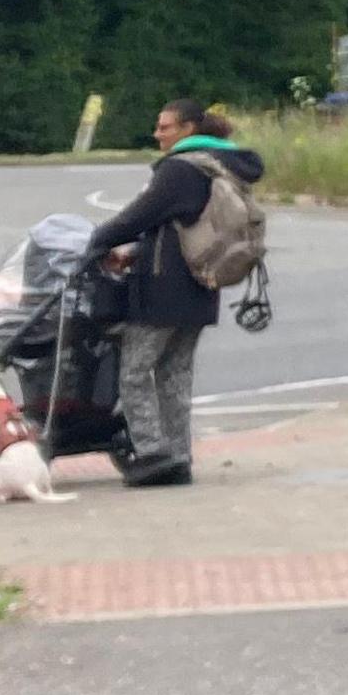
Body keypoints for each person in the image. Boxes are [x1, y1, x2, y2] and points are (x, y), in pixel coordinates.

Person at [83, 98, 264, 489]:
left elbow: (139, 216)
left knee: (134, 373)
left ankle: (152, 454)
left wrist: (97, 240)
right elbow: (176, 228)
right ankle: (179, 457)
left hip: (162, 289)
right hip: (202, 285)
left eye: (165, 127)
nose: (158, 133)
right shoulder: (223, 166)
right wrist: (133, 253)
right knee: (175, 374)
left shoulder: (180, 169)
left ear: (187, 129)